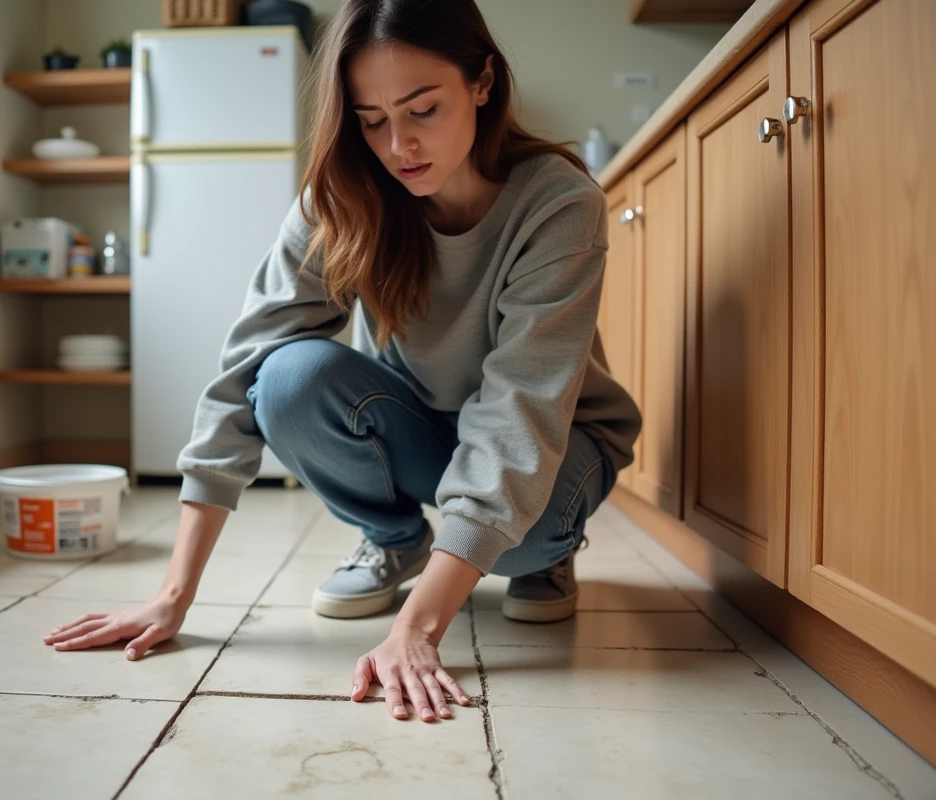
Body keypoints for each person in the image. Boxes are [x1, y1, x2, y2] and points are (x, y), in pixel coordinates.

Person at [43, 0, 642, 724]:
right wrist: (174, 594)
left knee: (516, 546)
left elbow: (521, 408)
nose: (400, 146)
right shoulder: (343, 196)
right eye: (372, 119)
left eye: (424, 108)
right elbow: (244, 374)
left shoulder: (559, 203)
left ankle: (542, 553)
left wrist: (415, 630)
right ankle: (397, 541)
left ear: (483, 82)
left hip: (555, 446)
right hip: (426, 428)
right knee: (287, 377)